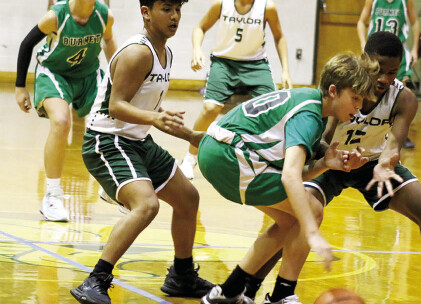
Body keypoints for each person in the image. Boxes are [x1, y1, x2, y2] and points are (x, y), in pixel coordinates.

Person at [302, 32, 421, 304]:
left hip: (371, 164)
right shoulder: (345, 87)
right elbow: (322, 139)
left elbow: (393, 145)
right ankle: (275, 292)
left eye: (392, 72)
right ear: (364, 60)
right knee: (300, 216)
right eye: (379, 70)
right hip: (330, 160)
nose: (384, 78)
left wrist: (384, 164)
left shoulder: (403, 99)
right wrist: (333, 159)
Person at [197, 53, 378, 304]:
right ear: (334, 91)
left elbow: (293, 173)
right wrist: (313, 233)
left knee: (289, 221)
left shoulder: (309, 102)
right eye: (355, 98)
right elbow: (290, 177)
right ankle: (281, 296)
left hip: (222, 153)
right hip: (229, 157)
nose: (358, 107)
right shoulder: (310, 115)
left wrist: (325, 164)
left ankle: (226, 292)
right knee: (311, 210)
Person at [69, 1, 213, 303]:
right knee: (146, 206)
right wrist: (154, 118)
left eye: (177, 9)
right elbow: (116, 105)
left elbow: (146, 107)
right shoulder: (138, 52)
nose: (174, 16)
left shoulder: (165, 52)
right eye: (166, 9)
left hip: (136, 142)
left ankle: (182, 276)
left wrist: (190, 135)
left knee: (188, 197)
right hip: (106, 141)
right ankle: (95, 280)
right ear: (146, 12)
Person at [15, 0, 117, 222]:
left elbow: (108, 40)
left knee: (116, 118)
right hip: (54, 73)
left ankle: (111, 187)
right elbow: (26, 44)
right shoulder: (56, 16)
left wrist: (118, 78)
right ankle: (52, 195)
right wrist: (20, 86)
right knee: (61, 121)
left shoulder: (104, 15)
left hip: (89, 75)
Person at [179, 0, 293, 179]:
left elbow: (279, 37)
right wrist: (196, 50)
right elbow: (199, 27)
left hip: (255, 64)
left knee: (274, 112)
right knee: (211, 108)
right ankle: (190, 158)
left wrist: (286, 70)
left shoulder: (267, 7)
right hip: (224, 62)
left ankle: (269, 162)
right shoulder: (222, 4)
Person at [357, 0, 419, 149]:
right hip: (376, 54)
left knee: (399, 94)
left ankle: (398, 133)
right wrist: (363, 44)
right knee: (369, 89)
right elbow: (361, 22)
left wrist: (415, 48)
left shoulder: (405, 1)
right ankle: (366, 127)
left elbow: (415, 22)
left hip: (397, 54)